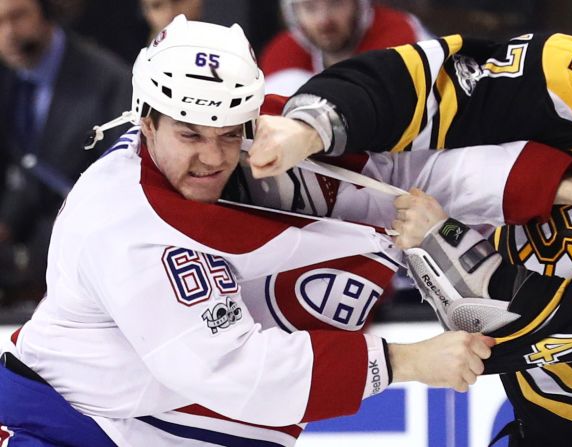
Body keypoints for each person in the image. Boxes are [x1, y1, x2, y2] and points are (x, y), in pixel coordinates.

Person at [245, 2, 572, 445]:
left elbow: (510, 329)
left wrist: (438, 239)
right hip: (539, 415)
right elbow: (431, 82)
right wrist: (314, 122)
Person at [0, 16, 494, 446]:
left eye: (229, 133)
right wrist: (406, 362)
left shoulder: (215, 149)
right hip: (62, 429)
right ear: (145, 122)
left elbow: (377, 167)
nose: (213, 158)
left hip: (136, 424)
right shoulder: (123, 227)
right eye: (190, 133)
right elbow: (233, 368)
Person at [0, 0, 131, 307]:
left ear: (48, 11)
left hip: (86, 262)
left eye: (18, 17)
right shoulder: (7, 78)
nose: (7, 33)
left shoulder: (109, 80)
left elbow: (118, 185)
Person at [258, 0, 430, 96]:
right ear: (293, 14)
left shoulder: (399, 36)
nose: (324, 21)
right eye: (309, 7)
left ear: (359, 5)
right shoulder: (282, 55)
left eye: (336, 3)